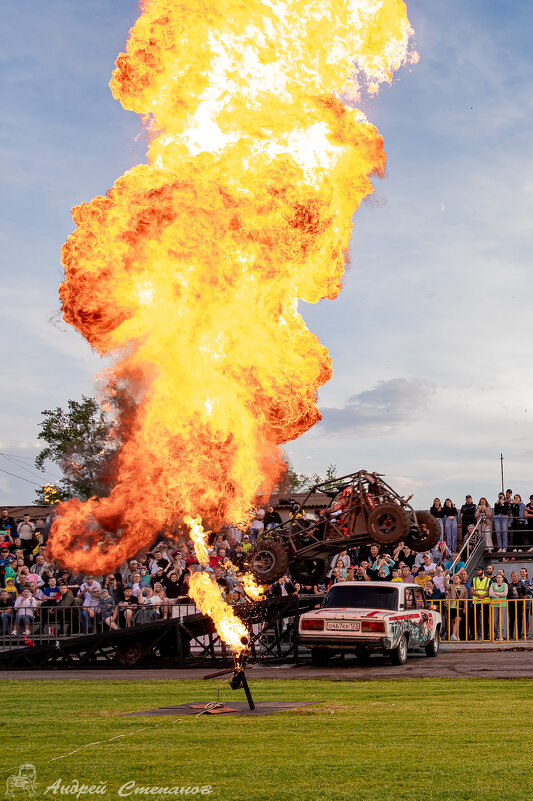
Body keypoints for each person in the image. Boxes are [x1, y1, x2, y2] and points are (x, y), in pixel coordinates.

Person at [445, 573, 468, 641]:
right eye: (454, 578)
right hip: (452, 605)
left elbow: (465, 598)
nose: (455, 579)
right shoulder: (451, 586)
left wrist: (465, 607)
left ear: (460, 580)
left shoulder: (463, 587)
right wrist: (446, 578)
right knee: (453, 621)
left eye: (457, 578)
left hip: (460, 606)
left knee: (458, 619)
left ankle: (453, 635)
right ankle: (455, 635)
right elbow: (446, 586)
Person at [471, 565, 491, 640]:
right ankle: (475, 636)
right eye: (477, 570)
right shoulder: (474, 579)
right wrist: (479, 595)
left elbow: (490, 591)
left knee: (485, 620)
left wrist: (483, 596)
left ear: (483, 571)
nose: (477, 571)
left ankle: (485, 636)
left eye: (479, 570)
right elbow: (471, 591)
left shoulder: (488, 580)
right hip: (476, 602)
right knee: (475, 620)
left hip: (485, 602)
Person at [507, 571, 527, 639]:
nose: (514, 577)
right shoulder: (509, 585)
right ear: (511, 577)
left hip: (519, 604)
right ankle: (511, 634)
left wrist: (524, 603)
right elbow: (508, 595)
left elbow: (525, 594)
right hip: (511, 604)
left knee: (519, 620)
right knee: (511, 620)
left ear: (517, 577)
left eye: (515, 576)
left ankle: (519, 634)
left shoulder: (521, 584)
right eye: (513, 576)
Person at [489, 574, 508, 640]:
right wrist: (500, 595)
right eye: (497, 577)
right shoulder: (493, 584)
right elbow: (490, 593)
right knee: (495, 621)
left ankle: (501, 635)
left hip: (502, 604)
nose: (498, 579)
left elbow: (505, 593)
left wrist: (496, 593)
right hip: (494, 604)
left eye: (500, 577)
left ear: (502, 578)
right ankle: (497, 635)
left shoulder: (505, 585)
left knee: (501, 620)